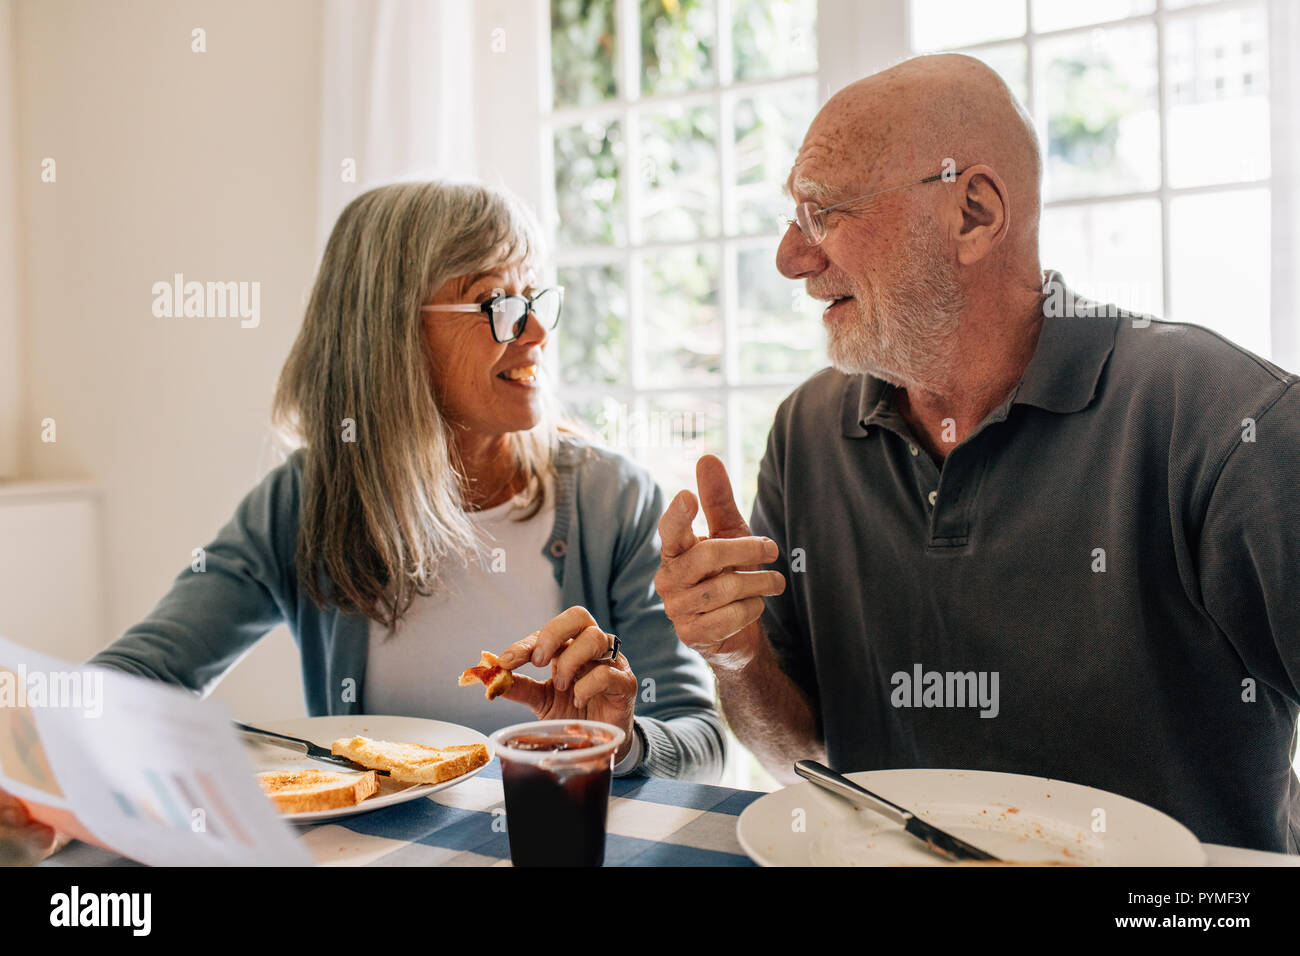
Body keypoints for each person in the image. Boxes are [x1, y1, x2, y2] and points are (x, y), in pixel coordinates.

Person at [654, 53, 1300, 853]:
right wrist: (735, 654)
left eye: (822, 214)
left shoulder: (1229, 423)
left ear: (974, 213)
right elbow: (801, 757)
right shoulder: (805, 435)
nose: (791, 257)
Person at [5, 180, 725, 864]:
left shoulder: (608, 498)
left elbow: (703, 738)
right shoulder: (305, 500)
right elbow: (143, 676)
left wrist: (619, 740)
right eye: (499, 302)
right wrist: (41, 760)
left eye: (535, 298)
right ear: (387, 333)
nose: (536, 330)